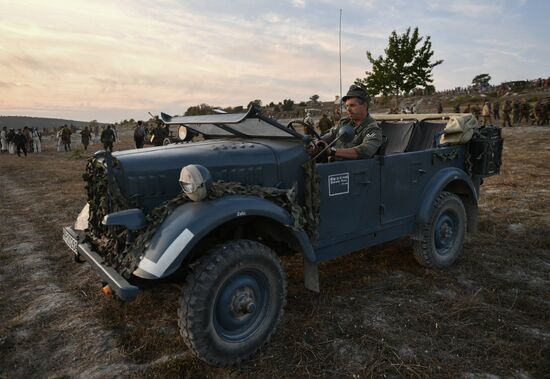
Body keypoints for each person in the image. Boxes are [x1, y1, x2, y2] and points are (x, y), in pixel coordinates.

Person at [313, 84, 382, 160]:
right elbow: (330, 136)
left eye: (352, 105)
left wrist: (332, 151)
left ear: (365, 106)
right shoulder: (345, 123)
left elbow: (365, 150)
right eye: (347, 106)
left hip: (350, 168)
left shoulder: (372, 128)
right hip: (332, 165)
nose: (348, 109)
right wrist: (314, 144)